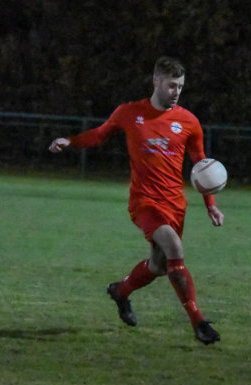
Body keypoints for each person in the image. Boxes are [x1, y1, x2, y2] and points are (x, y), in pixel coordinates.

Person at [48, 56, 224, 345]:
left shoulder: (189, 122)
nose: (176, 92)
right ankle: (198, 322)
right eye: (171, 85)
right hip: (144, 202)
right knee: (174, 248)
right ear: (156, 81)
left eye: (180, 86)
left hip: (175, 205)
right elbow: (100, 135)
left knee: (159, 265)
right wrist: (72, 141)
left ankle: (120, 291)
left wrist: (211, 206)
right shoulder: (129, 112)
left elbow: (202, 166)